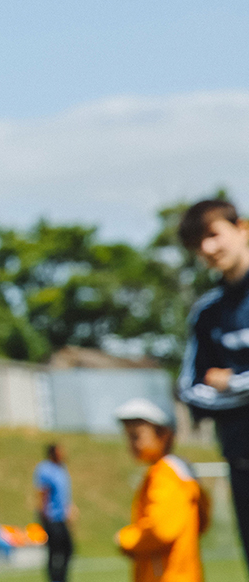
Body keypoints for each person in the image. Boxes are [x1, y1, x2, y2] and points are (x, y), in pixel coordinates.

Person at [175, 198, 249, 561]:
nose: (207, 248)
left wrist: (232, 382)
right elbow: (190, 390)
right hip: (242, 461)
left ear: (243, 229)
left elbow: (221, 385)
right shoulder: (207, 313)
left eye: (213, 234)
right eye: (198, 243)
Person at [114, 398, 208, 582]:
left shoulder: (165, 474)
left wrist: (126, 539)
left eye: (136, 436)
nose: (131, 444)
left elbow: (161, 530)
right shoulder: (176, 470)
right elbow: (203, 519)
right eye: (129, 437)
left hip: (168, 575)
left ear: (163, 434)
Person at [33, 444, 75, 582]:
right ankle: (54, 579)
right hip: (52, 517)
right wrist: (43, 517)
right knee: (54, 552)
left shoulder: (61, 468)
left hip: (62, 517)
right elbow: (43, 494)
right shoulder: (45, 469)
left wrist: (69, 509)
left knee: (68, 549)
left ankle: (62, 578)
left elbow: (64, 494)